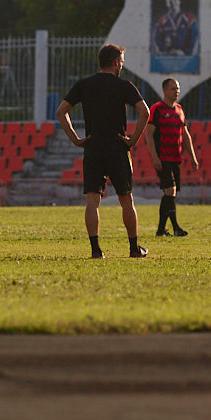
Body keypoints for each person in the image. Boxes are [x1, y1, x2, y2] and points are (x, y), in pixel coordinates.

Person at [54, 44, 149, 259]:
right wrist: (133, 139)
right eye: (121, 62)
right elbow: (145, 112)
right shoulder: (124, 85)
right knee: (126, 199)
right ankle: (134, 248)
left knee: (92, 201)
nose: (122, 66)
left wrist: (76, 139)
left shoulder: (84, 85)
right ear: (115, 62)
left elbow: (61, 112)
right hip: (117, 147)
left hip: (93, 147)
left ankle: (96, 250)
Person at [145, 77, 200, 237]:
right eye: (173, 89)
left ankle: (161, 230)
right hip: (163, 157)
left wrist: (193, 157)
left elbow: (186, 135)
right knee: (170, 190)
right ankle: (175, 227)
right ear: (164, 90)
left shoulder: (179, 110)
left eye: (177, 88)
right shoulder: (157, 109)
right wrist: (155, 157)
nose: (176, 91)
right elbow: (149, 134)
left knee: (171, 193)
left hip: (176, 158)